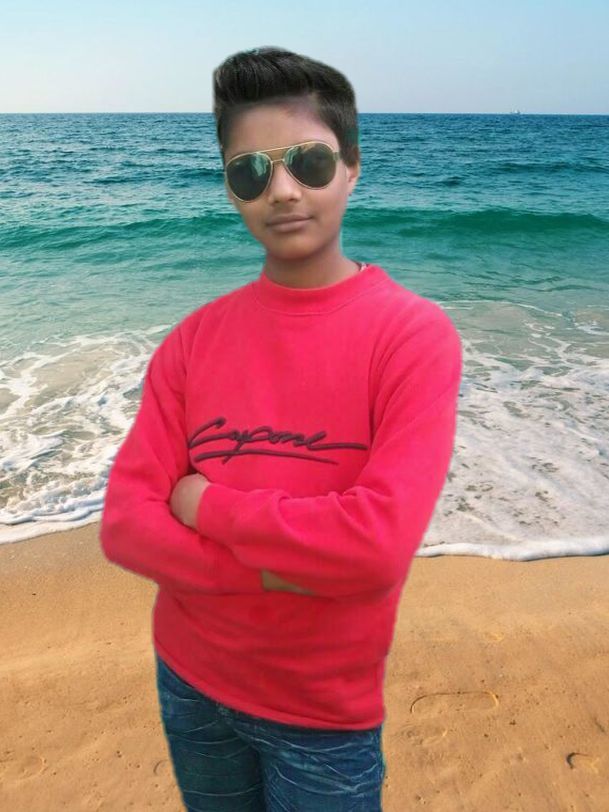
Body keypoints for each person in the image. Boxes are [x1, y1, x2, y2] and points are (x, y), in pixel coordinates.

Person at [100, 45, 463, 811]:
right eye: (250, 172)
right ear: (230, 189)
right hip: (190, 680)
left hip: (322, 713)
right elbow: (126, 525)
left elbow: (374, 549)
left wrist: (204, 504)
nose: (283, 190)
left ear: (352, 168)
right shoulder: (193, 341)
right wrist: (269, 572)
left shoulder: (411, 337)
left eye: (309, 162)